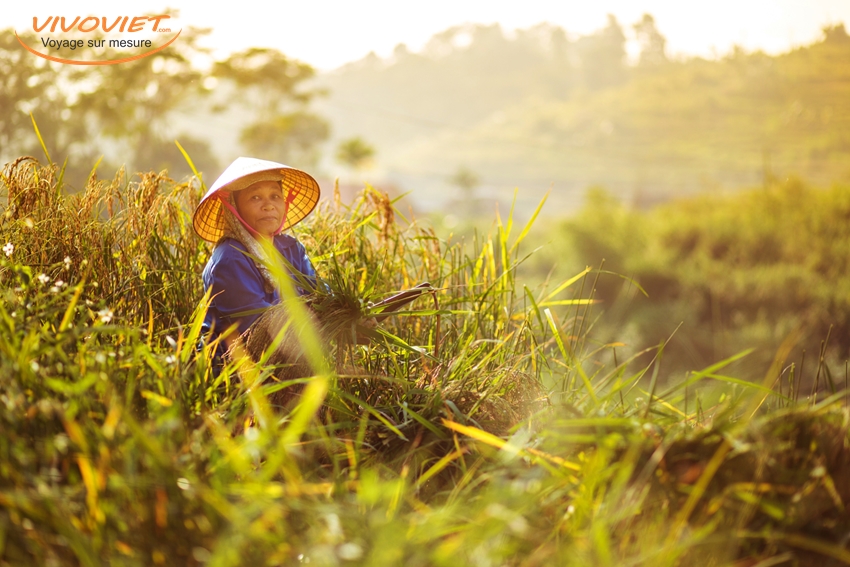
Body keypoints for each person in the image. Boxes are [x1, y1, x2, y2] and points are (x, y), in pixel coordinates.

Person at [192, 157, 322, 357]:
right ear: (235, 208)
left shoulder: (291, 249)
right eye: (255, 198)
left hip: (290, 354)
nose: (268, 206)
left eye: (275, 196)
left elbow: (320, 295)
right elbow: (260, 328)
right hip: (235, 367)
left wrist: (350, 317)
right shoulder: (230, 259)